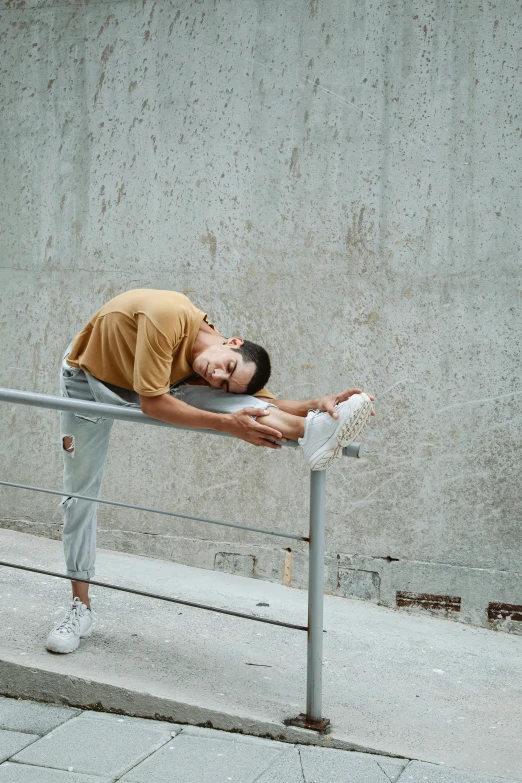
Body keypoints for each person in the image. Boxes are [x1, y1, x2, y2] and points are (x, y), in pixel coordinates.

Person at [46, 289, 374, 654]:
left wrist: (313, 405)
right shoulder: (164, 318)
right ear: (232, 341)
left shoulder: (215, 364)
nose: (216, 376)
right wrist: (226, 425)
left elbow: (257, 402)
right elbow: (154, 404)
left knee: (241, 407)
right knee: (80, 494)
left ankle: (313, 429)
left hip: (151, 385)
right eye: (227, 368)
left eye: (223, 382)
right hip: (89, 382)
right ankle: (80, 607)